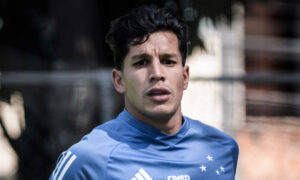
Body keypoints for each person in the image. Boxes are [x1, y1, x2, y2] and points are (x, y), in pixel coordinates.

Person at [49, 5, 239, 180]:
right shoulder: (87, 160)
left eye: (168, 61)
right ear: (119, 80)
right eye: (141, 62)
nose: (157, 74)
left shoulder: (222, 149)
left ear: (185, 76)